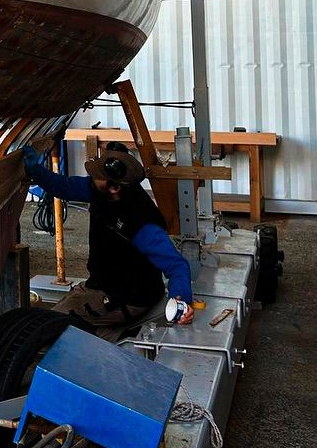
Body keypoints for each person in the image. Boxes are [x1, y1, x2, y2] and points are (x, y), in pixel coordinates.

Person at [22, 142, 195, 341]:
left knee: (44, 329)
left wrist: (181, 300)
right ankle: (110, 333)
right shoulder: (100, 190)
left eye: (97, 176)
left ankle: (110, 337)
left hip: (127, 298)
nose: (91, 179)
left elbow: (176, 265)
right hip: (102, 285)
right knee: (61, 316)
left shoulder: (141, 222)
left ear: (114, 187)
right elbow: (65, 187)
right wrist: (36, 170)